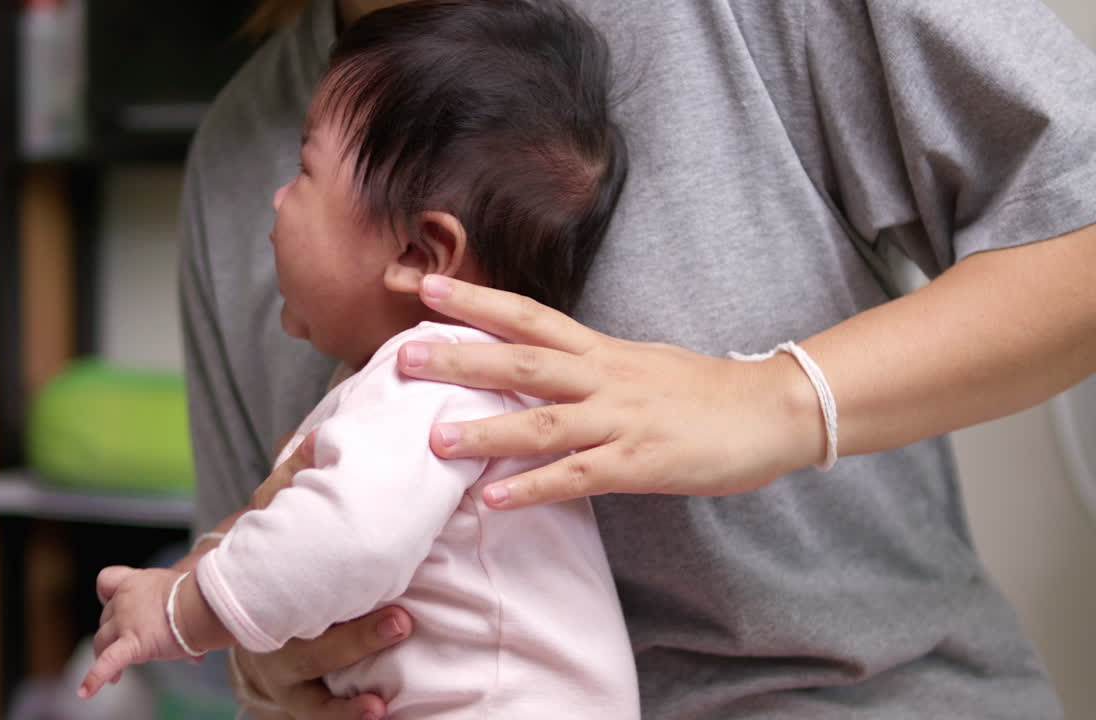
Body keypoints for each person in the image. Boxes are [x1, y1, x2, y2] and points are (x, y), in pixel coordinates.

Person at [178, 0, 1096, 718]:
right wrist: (262, 658)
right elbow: (241, 579)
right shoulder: (234, 157)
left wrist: (773, 399)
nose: (283, 200)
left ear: (429, 250)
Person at [79, 2, 640, 717]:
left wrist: (180, 611)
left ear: (420, 254)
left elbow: (347, 542)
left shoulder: (434, 381)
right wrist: (199, 565)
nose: (277, 199)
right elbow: (292, 514)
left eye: (303, 171)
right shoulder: (420, 384)